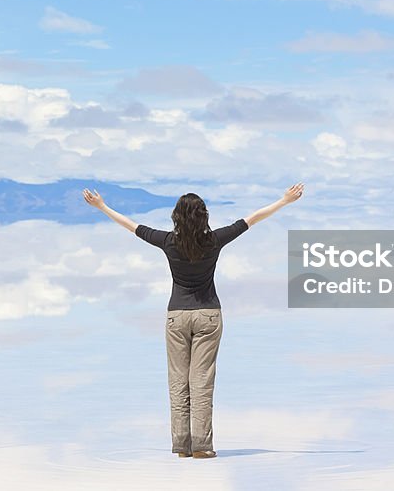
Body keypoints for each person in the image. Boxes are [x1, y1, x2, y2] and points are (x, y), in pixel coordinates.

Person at [82, 182, 305, 459]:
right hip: (209, 315)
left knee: (178, 382)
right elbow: (252, 219)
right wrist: (284, 201)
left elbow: (133, 226)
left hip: (176, 316)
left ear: (176, 216)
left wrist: (101, 206)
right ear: (204, 216)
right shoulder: (214, 240)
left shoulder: (168, 241)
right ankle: (202, 446)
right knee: (202, 382)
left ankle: (181, 446)